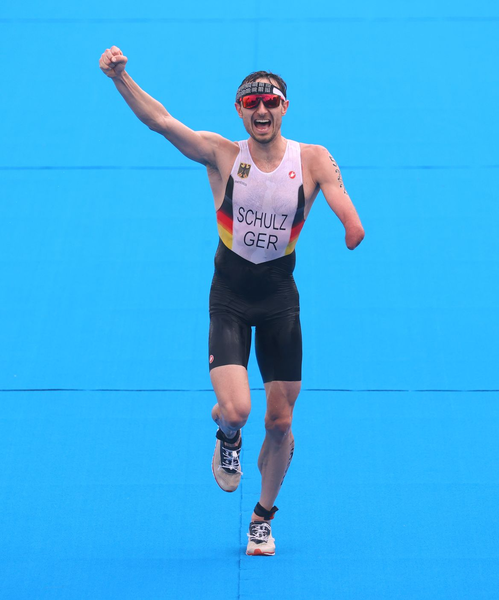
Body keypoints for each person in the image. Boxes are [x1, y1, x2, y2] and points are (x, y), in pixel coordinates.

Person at [99, 46, 365, 556]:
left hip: (280, 299)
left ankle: (262, 517)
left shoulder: (312, 157)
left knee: (282, 421)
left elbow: (337, 192)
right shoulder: (223, 155)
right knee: (239, 410)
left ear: (284, 107)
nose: (261, 111)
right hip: (231, 300)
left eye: (270, 101)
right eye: (251, 103)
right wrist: (121, 79)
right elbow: (162, 122)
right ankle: (226, 436)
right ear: (239, 110)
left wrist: (350, 223)